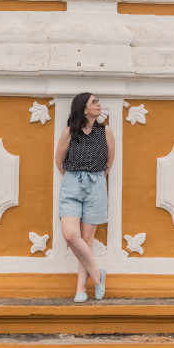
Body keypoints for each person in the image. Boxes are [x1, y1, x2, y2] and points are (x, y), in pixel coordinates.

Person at [54, 92, 114, 302]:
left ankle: (81, 289)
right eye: (94, 102)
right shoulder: (70, 132)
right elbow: (59, 161)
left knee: (87, 240)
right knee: (71, 236)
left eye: (98, 101)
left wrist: (94, 178)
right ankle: (98, 275)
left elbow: (109, 163)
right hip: (72, 185)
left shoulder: (105, 131)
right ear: (84, 109)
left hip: (96, 186)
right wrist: (75, 177)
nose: (99, 105)